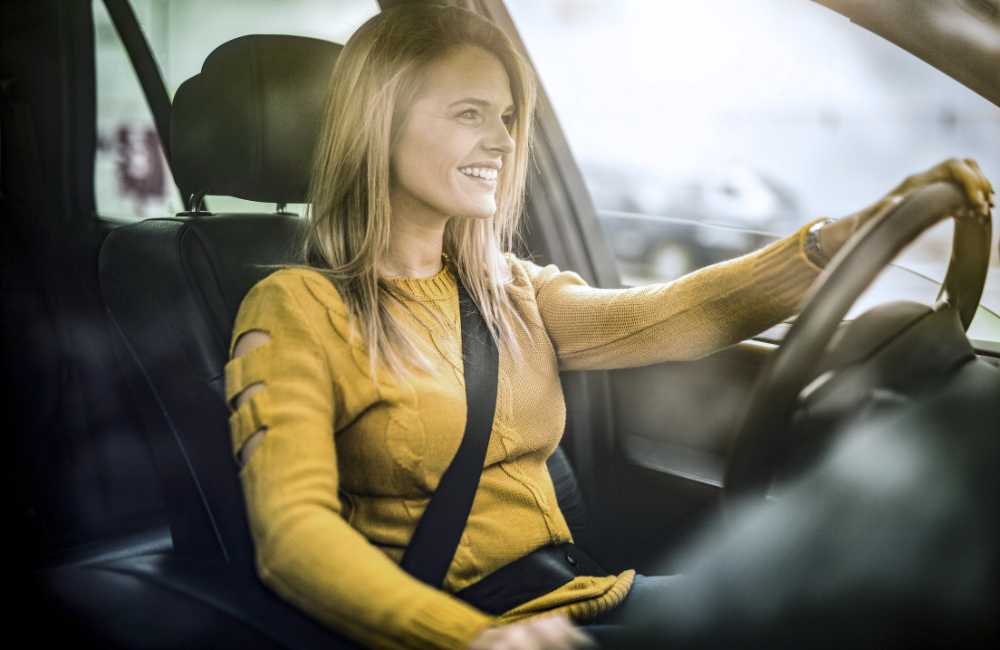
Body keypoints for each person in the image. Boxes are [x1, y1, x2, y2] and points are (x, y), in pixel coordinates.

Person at [224, 5, 994, 650]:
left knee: (863, 592)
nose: (500, 140)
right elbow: (293, 537)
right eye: (468, 114)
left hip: (584, 600)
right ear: (378, 123)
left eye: (504, 117)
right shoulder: (296, 309)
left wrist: (844, 236)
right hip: (477, 632)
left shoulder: (511, 292)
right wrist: (467, 640)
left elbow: (682, 313)